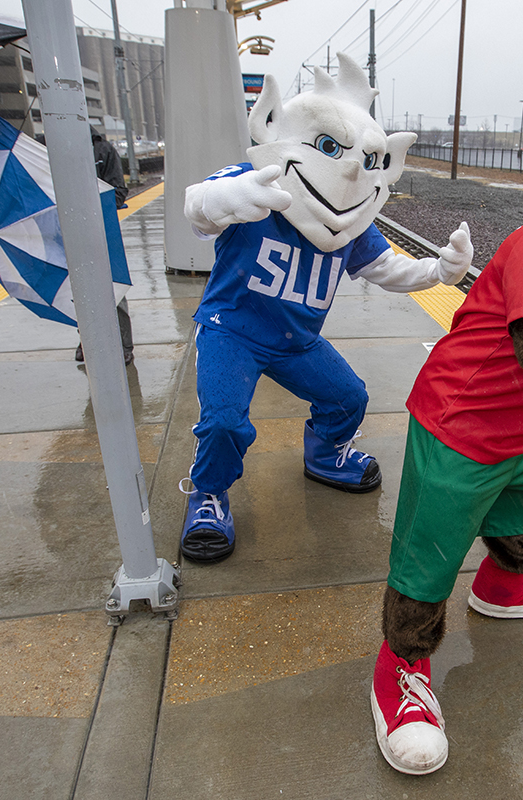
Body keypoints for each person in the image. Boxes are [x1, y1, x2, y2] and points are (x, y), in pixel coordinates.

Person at [175, 54, 472, 564]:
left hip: (296, 340)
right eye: (331, 147)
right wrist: (229, 196)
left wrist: (440, 271)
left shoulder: (351, 222)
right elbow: (197, 209)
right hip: (232, 332)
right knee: (224, 422)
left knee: (349, 397)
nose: (350, 167)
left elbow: (389, 270)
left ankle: (324, 455)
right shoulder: (258, 180)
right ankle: (208, 493)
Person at [75, 127, 133, 365]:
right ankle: (87, 339)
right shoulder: (54, 150)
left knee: (114, 286)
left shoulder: (102, 149)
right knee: (79, 289)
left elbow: (119, 191)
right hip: (71, 232)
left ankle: (123, 344)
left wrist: (86, 204)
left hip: (101, 229)